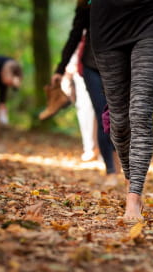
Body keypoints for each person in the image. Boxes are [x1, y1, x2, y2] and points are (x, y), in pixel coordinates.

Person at [90, 0, 153, 223]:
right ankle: (130, 180)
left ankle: (134, 197)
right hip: (106, 26)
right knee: (118, 120)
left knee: (140, 111)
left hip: (151, 20)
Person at [51, 0, 118, 185]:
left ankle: (120, 163)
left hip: (118, 66)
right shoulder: (85, 4)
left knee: (119, 117)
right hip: (91, 66)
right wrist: (60, 69)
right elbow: (75, 35)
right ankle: (111, 171)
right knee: (102, 115)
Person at [61, 50, 98, 162]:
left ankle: (99, 150)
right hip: (82, 72)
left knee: (98, 111)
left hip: (102, 69)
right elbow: (76, 46)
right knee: (85, 110)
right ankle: (90, 148)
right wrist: (67, 75)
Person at [0, 56, 23, 144]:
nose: (9, 84)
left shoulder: (4, 73)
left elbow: (3, 86)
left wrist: (2, 103)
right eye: (10, 82)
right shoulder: (5, 65)